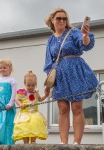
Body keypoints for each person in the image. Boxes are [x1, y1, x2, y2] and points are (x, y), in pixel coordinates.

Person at [43, 8, 98, 144]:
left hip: (75, 70)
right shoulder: (50, 40)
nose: (62, 21)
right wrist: (48, 85)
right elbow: (48, 62)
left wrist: (85, 35)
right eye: (59, 18)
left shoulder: (73, 32)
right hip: (59, 74)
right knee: (62, 108)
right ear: (52, 21)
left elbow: (84, 44)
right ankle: (63, 142)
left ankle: (76, 143)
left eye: (64, 18)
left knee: (76, 107)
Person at [13, 70, 48, 144]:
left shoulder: (36, 92)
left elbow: (39, 99)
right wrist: (20, 104)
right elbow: (16, 99)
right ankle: (25, 142)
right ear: (25, 84)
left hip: (34, 113)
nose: (31, 87)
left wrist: (45, 95)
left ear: (35, 85)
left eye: (33, 85)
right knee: (25, 127)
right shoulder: (22, 92)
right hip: (25, 113)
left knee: (34, 125)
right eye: (28, 85)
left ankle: (33, 141)